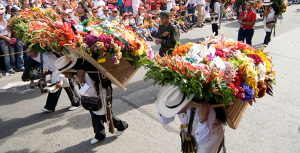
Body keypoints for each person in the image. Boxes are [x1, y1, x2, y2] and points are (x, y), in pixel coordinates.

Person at [55, 56, 129, 145]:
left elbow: (91, 91)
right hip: (94, 95)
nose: (65, 76)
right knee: (94, 114)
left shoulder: (84, 74)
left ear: (69, 69)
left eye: (64, 73)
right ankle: (99, 134)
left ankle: (121, 125)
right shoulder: (78, 71)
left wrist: (82, 81)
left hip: (102, 94)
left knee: (103, 115)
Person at [156, 84, 224, 153]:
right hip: (191, 134)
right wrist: (162, 108)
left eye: (175, 110)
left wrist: (203, 120)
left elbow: (202, 140)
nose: (173, 112)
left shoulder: (204, 110)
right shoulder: (175, 102)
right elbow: (164, 121)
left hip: (208, 138)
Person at [0, 10, 16, 74]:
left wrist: (9, 34)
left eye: (3, 14)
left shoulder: (6, 20)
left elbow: (10, 28)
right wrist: (5, 37)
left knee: (12, 54)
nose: (2, 15)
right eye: (1, 14)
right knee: (6, 54)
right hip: (2, 39)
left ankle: (12, 65)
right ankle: (9, 68)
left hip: (9, 38)